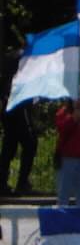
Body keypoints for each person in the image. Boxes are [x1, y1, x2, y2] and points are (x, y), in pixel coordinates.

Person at [0, 51, 38, 193]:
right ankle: (21, 183)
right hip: (17, 106)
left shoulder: (13, 61)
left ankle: (5, 182)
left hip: (12, 106)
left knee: (10, 144)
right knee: (29, 142)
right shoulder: (19, 59)